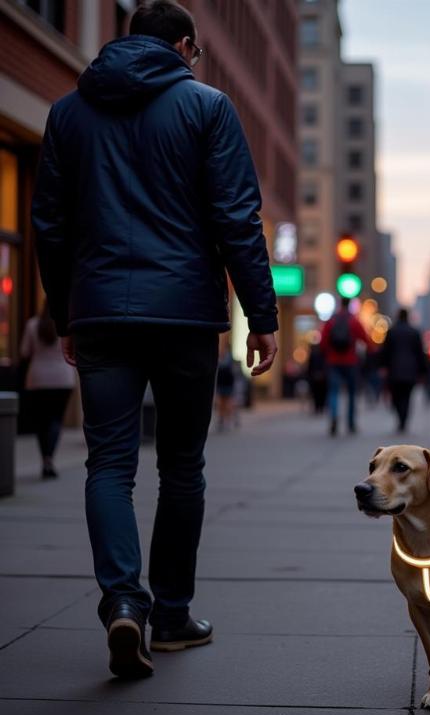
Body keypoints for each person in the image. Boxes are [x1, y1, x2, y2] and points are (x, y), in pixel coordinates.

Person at [31, 0, 278, 679]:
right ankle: (170, 614)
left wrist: (64, 312)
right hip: (185, 316)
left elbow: (49, 224)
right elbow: (236, 217)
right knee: (181, 466)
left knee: (109, 463)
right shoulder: (207, 108)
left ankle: (122, 603)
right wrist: (263, 316)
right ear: (187, 45)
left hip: (102, 310)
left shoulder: (68, 113)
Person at [19, 303, 76, 479]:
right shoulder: (67, 326)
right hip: (62, 378)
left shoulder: (32, 325)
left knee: (40, 421)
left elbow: (24, 352)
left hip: (38, 379)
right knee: (56, 419)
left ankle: (45, 458)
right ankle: (50, 458)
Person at [320, 297, 370, 436]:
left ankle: (334, 417)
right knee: (352, 394)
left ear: (339, 304)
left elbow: (323, 342)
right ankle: (351, 423)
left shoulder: (331, 321)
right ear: (350, 305)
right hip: (351, 362)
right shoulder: (354, 321)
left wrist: (327, 354)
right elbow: (366, 339)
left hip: (333, 361)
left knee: (333, 392)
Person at [380, 308, 425, 433]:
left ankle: (400, 418)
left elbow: (385, 351)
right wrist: (422, 371)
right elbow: (420, 353)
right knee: (407, 397)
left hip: (394, 370)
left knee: (396, 396)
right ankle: (403, 420)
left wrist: (383, 366)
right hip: (411, 370)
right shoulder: (415, 332)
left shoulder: (391, 332)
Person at [306, 340, 328, 415]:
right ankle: (321, 407)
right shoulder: (324, 353)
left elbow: (309, 367)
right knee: (322, 393)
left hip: (315, 376)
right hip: (322, 376)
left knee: (316, 393)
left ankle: (317, 407)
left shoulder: (313, 354)